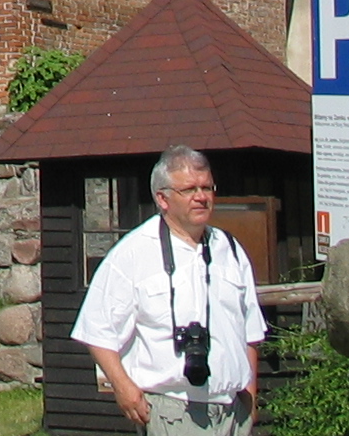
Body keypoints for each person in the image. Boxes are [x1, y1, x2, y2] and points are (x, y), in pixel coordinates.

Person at [72, 145, 266, 432]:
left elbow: (250, 332)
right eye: (188, 190)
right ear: (162, 198)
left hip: (232, 412)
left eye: (207, 187)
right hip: (171, 410)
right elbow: (97, 331)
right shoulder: (133, 253)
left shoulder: (230, 250)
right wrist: (124, 389)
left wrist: (250, 393)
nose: (201, 197)